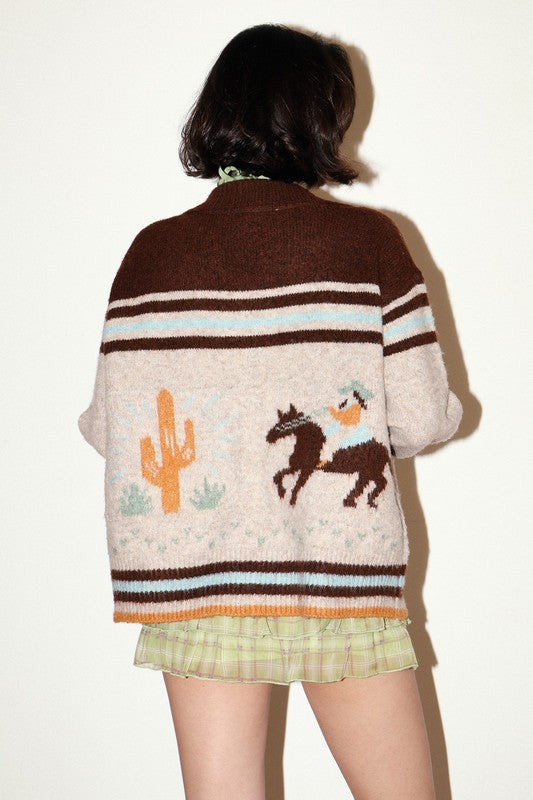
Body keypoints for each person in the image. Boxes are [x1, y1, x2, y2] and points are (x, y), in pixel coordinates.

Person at [78, 23, 462, 800]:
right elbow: (423, 418)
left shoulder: (151, 253)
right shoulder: (367, 242)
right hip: (338, 578)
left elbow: (107, 428)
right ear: (318, 118)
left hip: (200, 580)